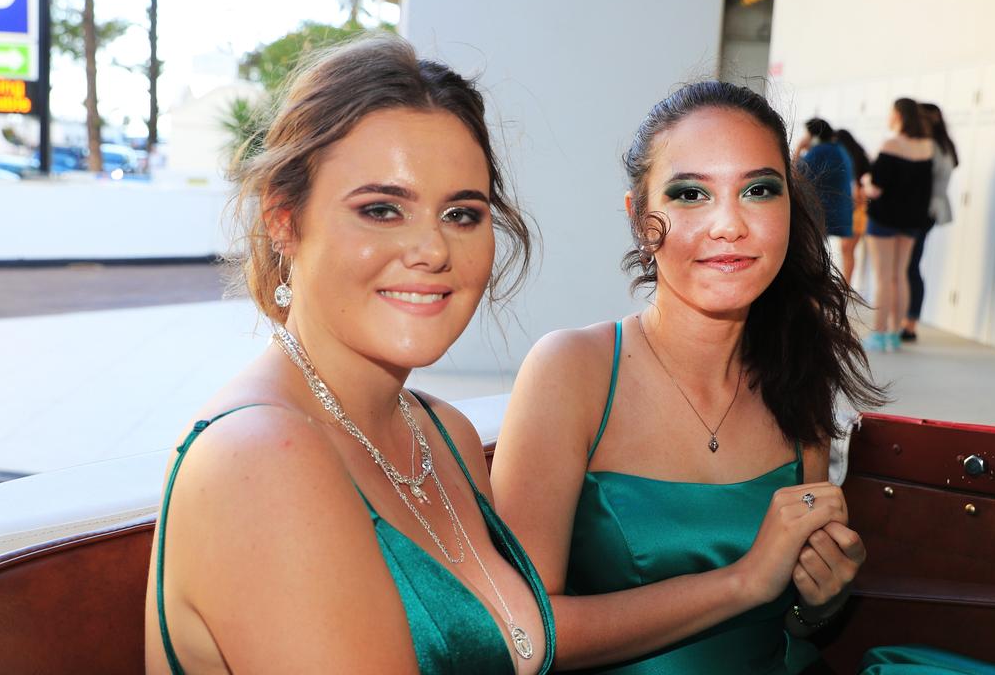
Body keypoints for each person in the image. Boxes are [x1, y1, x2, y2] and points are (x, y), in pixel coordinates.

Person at [143, 33, 554, 674]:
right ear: (284, 221)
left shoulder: (446, 437)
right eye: (383, 209)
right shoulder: (258, 458)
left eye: (463, 214)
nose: (433, 249)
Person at [491, 81, 886, 673]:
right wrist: (745, 582)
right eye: (691, 194)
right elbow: (520, 638)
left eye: (758, 189)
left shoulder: (795, 372)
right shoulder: (571, 372)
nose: (729, 224)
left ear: (789, 208)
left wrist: (820, 601)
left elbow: (794, 624)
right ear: (639, 219)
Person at [861, 98, 934, 352]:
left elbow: (876, 188)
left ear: (899, 115)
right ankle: (894, 333)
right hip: (912, 221)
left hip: (884, 219)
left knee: (882, 278)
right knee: (900, 275)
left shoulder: (891, 144)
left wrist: (866, 181)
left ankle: (878, 334)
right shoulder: (926, 147)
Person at [900, 102, 958, 342]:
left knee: (908, 266)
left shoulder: (929, 147)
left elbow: (917, 182)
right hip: (933, 210)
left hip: (921, 211)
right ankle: (909, 321)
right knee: (912, 265)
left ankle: (908, 322)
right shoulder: (946, 145)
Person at [795, 117, 854, 245]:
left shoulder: (820, 151)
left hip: (823, 214)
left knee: (811, 251)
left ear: (814, 136)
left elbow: (794, 173)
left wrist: (799, 148)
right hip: (840, 212)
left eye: (807, 134)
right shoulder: (838, 148)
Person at [834, 129, 872, 285]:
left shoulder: (855, 161)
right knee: (846, 248)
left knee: (847, 247)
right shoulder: (855, 159)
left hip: (859, 210)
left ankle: (846, 285)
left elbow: (861, 191)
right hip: (853, 210)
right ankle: (846, 284)